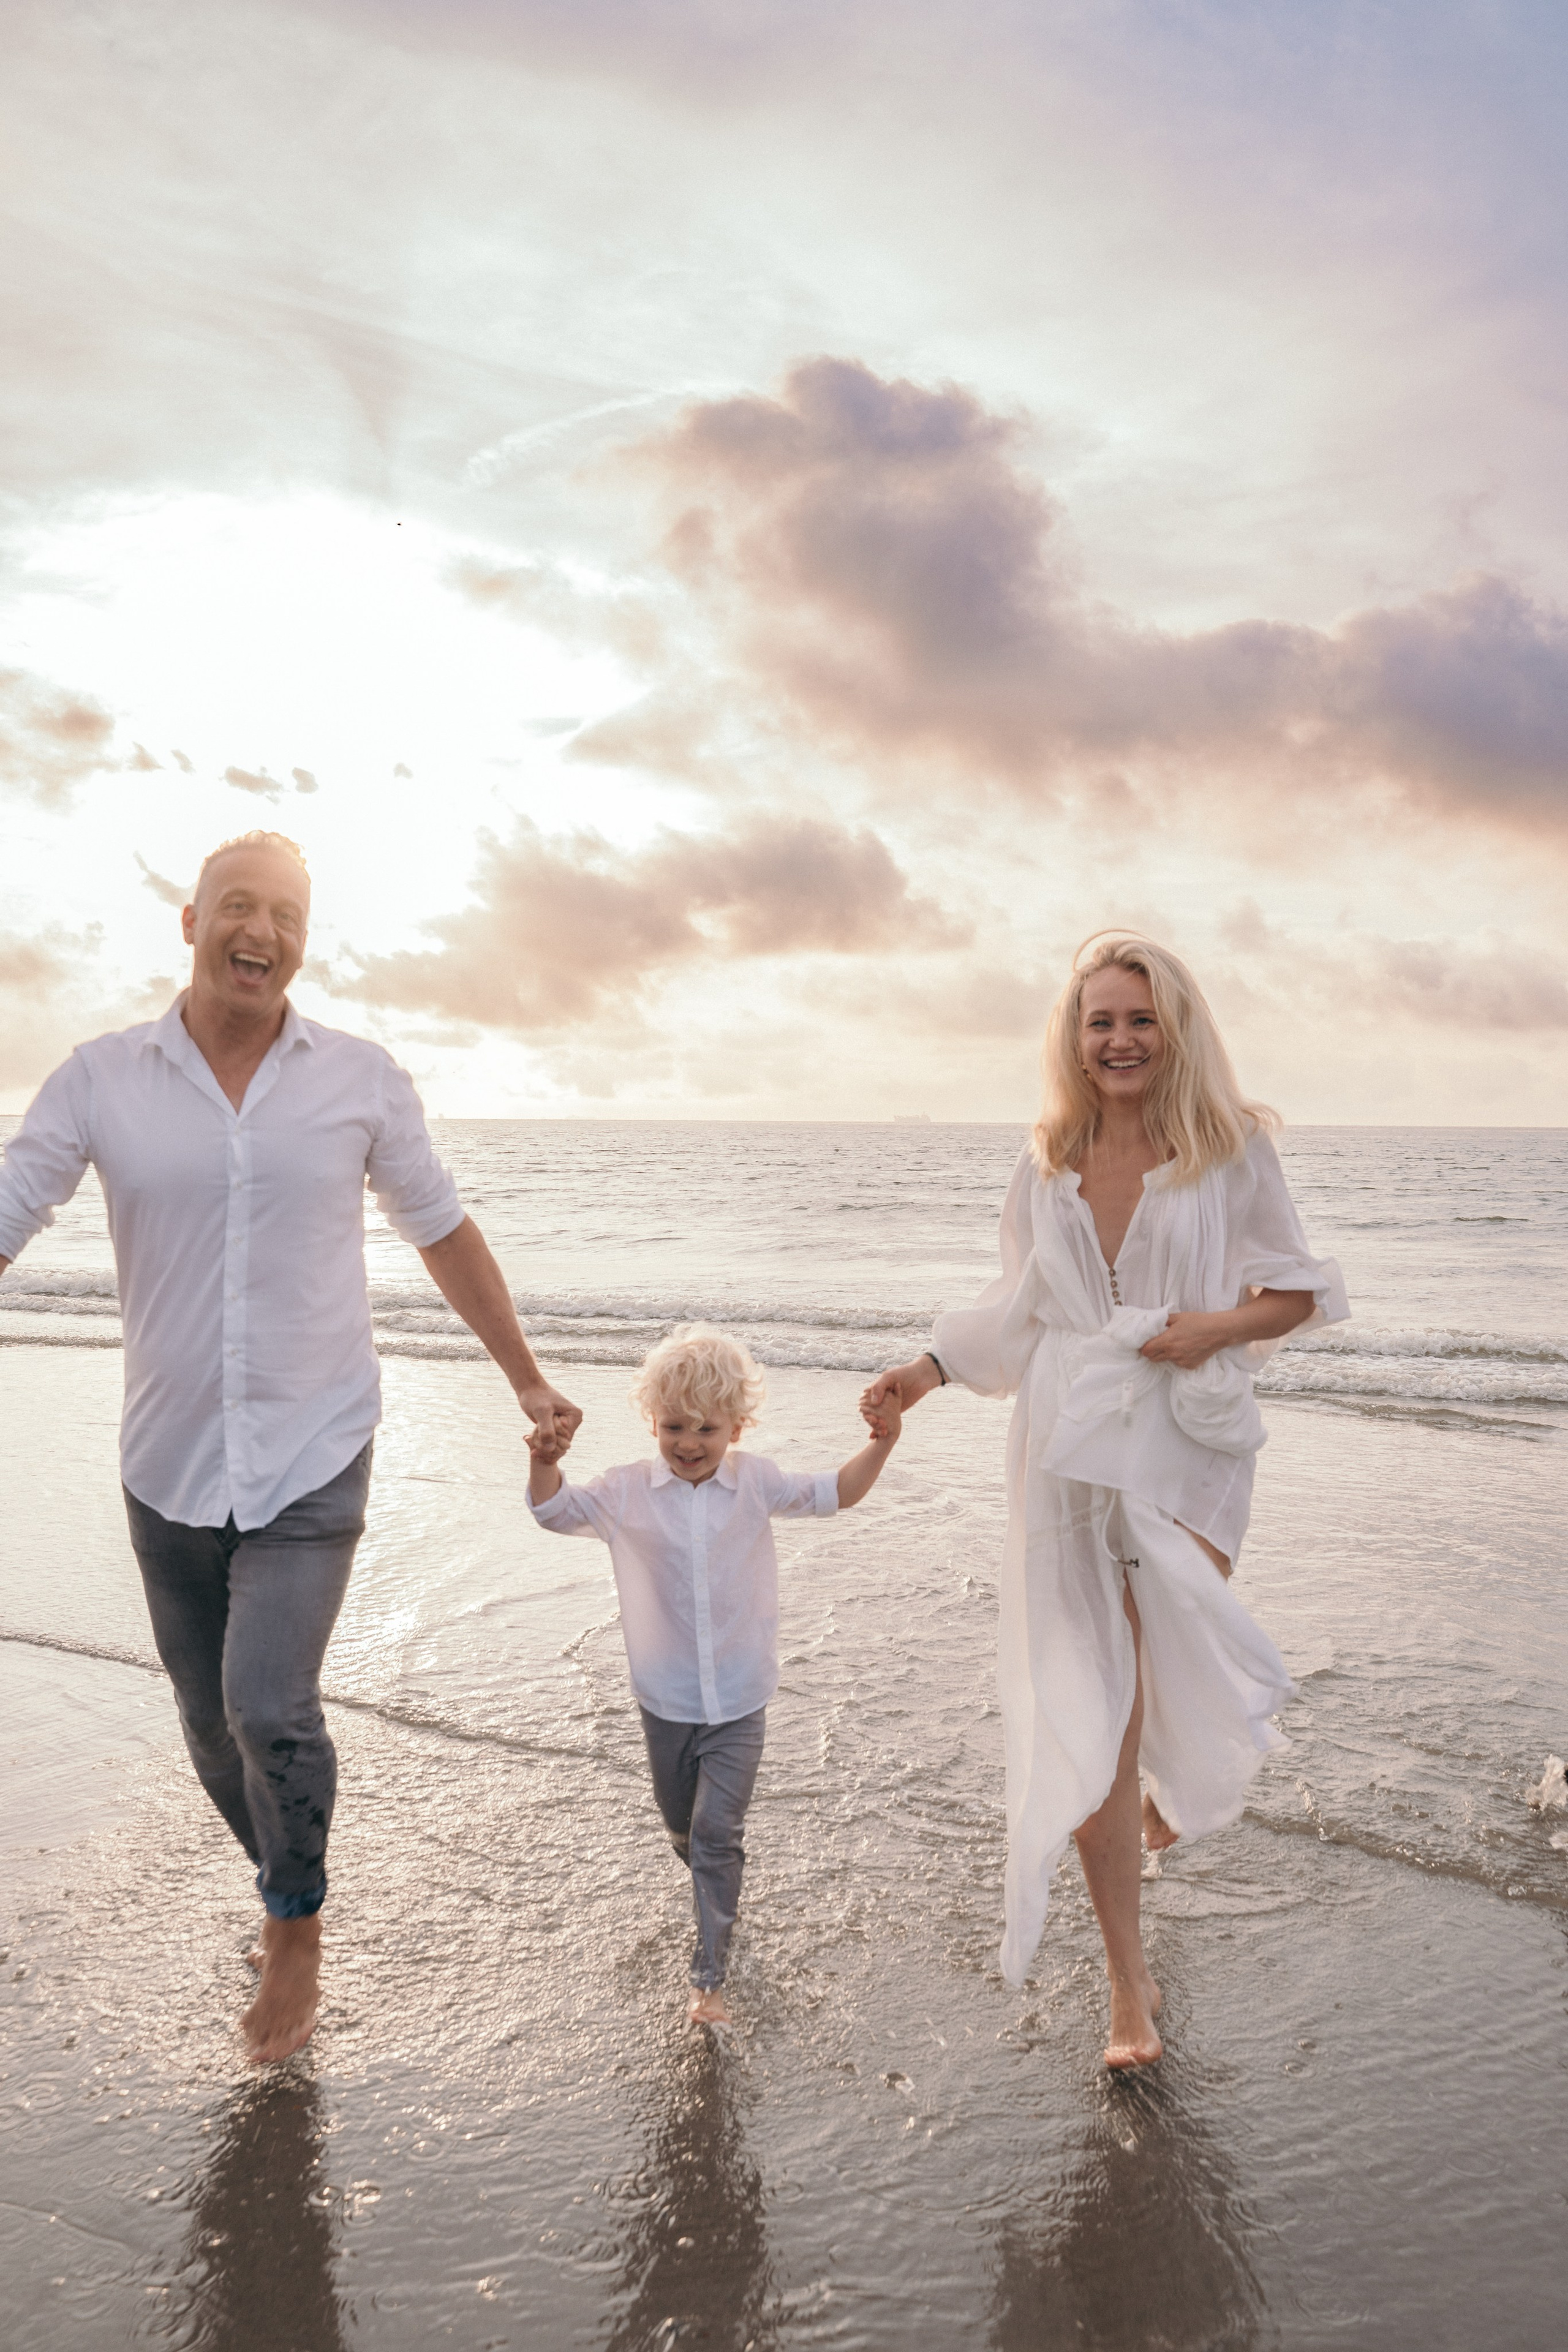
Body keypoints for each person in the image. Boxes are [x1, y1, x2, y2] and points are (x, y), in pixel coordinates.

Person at [0, 831, 581, 2064]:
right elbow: (11, 1208)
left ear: (305, 940)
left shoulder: (358, 1079)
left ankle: (295, 1931)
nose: (261, 933)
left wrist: (525, 1375)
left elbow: (443, 1233)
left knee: (267, 1703)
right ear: (190, 920)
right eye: (238, 908)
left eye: (287, 916)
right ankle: (284, 1872)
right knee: (209, 1726)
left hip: (316, 1449)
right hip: (165, 1460)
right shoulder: (102, 1080)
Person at [861, 934, 1346, 2070]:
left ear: (1175, 1030)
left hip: (1191, 1444)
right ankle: (1130, 1990)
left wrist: (1210, 1328)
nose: (1119, 1040)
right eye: (1099, 1022)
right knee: (1095, 1705)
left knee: (1173, 1650)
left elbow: (1296, 1291)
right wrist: (924, 1377)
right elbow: (1016, 1310)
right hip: (1071, 1447)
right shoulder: (1046, 1163)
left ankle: (1170, 1795)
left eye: (1139, 1019)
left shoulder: (1232, 1152)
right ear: (1072, 1041)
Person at [526, 1323, 901, 2027]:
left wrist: (882, 1441)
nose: (689, 1442)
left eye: (706, 1427)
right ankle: (709, 1886)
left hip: (738, 1698)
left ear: (739, 1425)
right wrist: (545, 1459)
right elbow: (549, 1510)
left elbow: (837, 1492)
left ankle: (709, 1979)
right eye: (673, 1426)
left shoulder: (755, 1482)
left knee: (717, 1834)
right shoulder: (625, 1491)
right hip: (664, 1699)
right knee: (683, 1834)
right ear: (652, 1421)